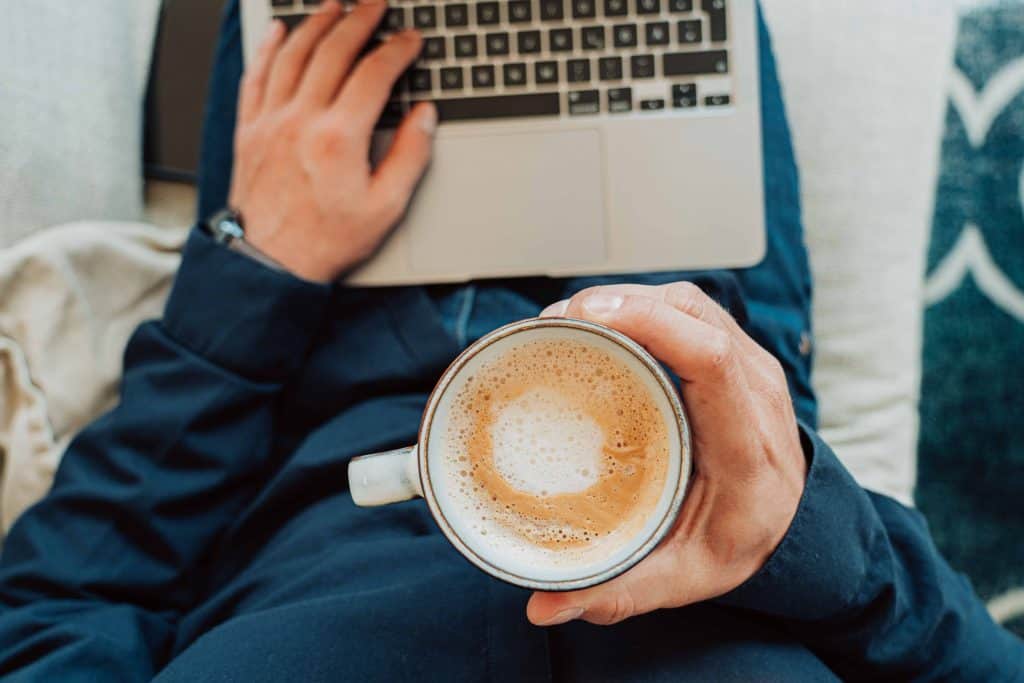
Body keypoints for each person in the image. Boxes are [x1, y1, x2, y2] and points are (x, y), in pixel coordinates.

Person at [0, 1, 1020, 680]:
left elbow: (51, 617)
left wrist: (252, 269)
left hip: (304, 332)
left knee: (330, 37)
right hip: (692, 397)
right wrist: (815, 535)